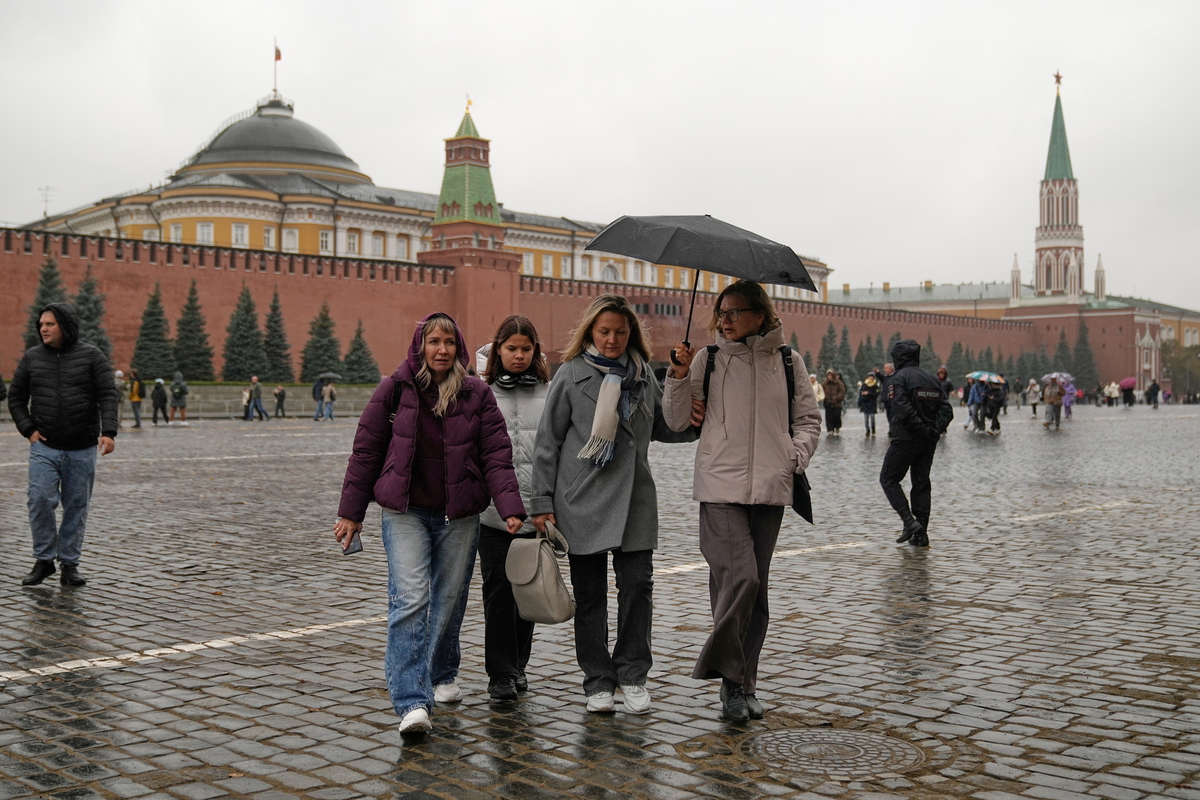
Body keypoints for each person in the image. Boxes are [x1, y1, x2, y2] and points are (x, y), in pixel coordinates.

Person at [335, 312, 525, 736]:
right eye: (434, 342)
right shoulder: (394, 389)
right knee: (410, 599)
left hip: (458, 514)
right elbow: (366, 451)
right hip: (405, 512)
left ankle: (442, 669)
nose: (442, 350)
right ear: (420, 345)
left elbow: (496, 455)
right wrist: (351, 512)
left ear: (459, 347)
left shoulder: (477, 394)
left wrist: (510, 506)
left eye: (450, 343)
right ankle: (411, 702)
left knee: (449, 598)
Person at [663, 280, 821, 722]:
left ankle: (743, 684)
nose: (726, 320)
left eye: (735, 312)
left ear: (761, 314)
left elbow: (808, 420)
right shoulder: (706, 359)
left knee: (755, 593)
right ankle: (728, 677)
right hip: (720, 487)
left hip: (771, 489)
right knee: (742, 579)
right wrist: (676, 377)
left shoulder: (788, 362)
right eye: (721, 313)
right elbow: (677, 421)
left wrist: (794, 455)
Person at [529, 294, 693, 716]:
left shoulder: (643, 376)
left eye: (620, 332)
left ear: (631, 333)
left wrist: (693, 411)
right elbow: (547, 444)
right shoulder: (570, 375)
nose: (612, 339)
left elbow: (664, 429)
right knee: (591, 595)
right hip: (582, 498)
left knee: (638, 589)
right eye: (604, 331)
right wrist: (542, 501)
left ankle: (633, 674)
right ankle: (598, 681)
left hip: (635, 499)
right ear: (590, 331)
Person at [8, 303, 118, 587]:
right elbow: (16, 397)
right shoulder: (32, 358)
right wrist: (28, 429)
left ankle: (69, 564)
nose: (43, 328)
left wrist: (109, 432)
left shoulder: (92, 356)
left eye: (49, 324)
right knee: (40, 500)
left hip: (82, 448)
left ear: (65, 326)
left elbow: (108, 394)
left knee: (76, 507)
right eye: (41, 324)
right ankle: (44, 560)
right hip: (45, 447)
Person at [474, 315, 552, 702]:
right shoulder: (480, 391)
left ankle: (519, 664)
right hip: (492, 513)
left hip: (535, 510)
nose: (519, 356)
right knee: (498, 593)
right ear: (498, 350)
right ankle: (500, 673)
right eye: (511, 349)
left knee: (528, 592)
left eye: (526, 349)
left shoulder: (549, 391)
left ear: (535, 351)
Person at [879, 339, 953, 548]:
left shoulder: (898, 378)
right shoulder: (931, 378)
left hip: (905, 439)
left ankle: (909, 522)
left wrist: (921, 429)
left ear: (898, 358)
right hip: (927, 441)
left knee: (888, 479)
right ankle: (921, 535)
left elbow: (902, 408)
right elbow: (947, 410)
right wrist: (934, 430)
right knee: (921, 484)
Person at [821, 369, 846, 436]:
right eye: (828, 375)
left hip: (836, 404)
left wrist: (837, 398)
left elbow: (842, 391)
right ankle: (830, 429)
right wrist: (824, 398)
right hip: (828, 403)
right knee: (829, 417)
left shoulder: (839, 383)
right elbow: (821, 391)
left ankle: (837, 427)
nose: (829, 376)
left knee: (836, 416)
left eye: (830, 375)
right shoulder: (824, 383)